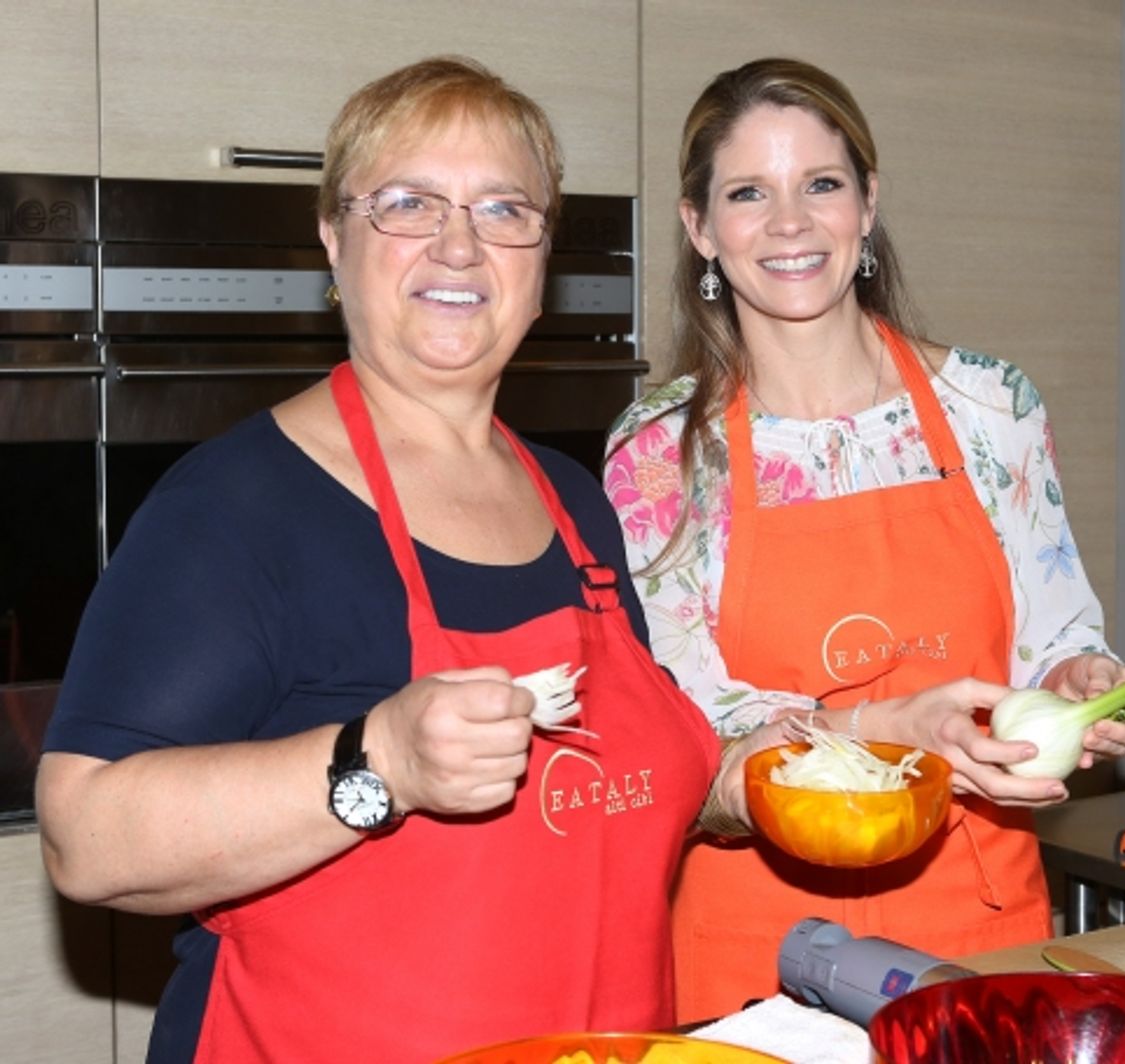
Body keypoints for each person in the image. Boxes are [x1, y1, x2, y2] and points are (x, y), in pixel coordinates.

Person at [35, 56, 763, 1063]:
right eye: (408, 203)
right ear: (334, 239)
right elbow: (86, 831)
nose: (459, 245)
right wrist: (377, 761)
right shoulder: (239, 505)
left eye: (505, 209)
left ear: (541, 255)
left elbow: (606, 805)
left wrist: (832, 747)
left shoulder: (579, 504)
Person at [604, 56, 1125, 1022]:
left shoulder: (992, 406)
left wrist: (1081, 686)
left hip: (978, 925)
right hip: (756, 947)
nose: (790, 223)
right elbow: (688, 732)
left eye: (820, 185)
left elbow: (1053, 629)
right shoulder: (661, 449)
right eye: (750, 193)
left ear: (867, 204)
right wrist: (895, 727)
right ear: (700, 227)